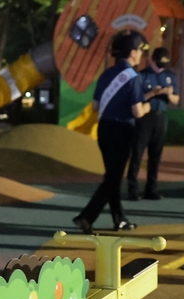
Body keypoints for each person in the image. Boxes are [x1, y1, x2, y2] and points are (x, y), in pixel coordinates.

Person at [72, 30, 151, 234]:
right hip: (122, 130)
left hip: (104, 129)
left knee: (112, 176)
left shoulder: (106, 74)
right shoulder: (134, 78)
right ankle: (86, 217)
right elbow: (137, 111)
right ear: (132, 53)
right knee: (113, 179)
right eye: (140, 51)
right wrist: (148, 107)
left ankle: (120, 219)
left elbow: (96, 106)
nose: (141, 55)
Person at [126, 47, 179, 201]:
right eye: (160, 62)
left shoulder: (170, 76)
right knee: (137, 153)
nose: (162, 65)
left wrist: (169, 94)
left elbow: (176, 99)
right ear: (153, 60)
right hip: (145, 118)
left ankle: (151, 189)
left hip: (161, 117)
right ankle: (132, 189)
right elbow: (137, 97)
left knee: (156, 155)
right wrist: (152, 93)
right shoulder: (142, 75)